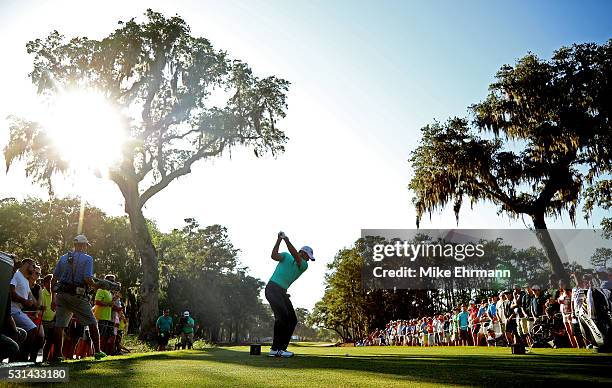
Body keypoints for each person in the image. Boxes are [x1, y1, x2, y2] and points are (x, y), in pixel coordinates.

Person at [51, 234, 107, 361]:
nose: (86, 247)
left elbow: (53, 279)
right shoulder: (88, 259)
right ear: (83, 245)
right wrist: (96, 285)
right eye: (86, 245)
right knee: (93, 323)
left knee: (59, 325)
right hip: (77, 295)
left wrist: (53, 298)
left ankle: (57, 355)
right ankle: (98, 352)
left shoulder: (63, 257)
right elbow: (87, 278)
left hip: (61, 295)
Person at [265, 232, 313, 358]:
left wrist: (286, 239)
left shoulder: (303, 265)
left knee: (292, 319)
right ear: (303, 252)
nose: (309, 259)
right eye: (308, 256)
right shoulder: (286, 256)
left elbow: (296, 256)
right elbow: (273, 255)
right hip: (272, 288)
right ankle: (275, 349)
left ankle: (281, 348)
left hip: (282, 292)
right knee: (282, 317)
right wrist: (279, 240)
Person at [9, 258, 39, 361]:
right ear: (27, 264)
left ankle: (17, 359)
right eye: (33, 266)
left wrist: (33, 302)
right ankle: (22, 359)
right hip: (12, 310)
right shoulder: (16, 275)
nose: (34, 269)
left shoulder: (26, 280)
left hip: (19, 310)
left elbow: (33, 301)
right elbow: (11, 293)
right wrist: (25, 301)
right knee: (32, 329)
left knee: (19, 334)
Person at [94, 274, 116, 354]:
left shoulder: (109, 292)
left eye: (113, 281)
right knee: (98, 335)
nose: (112, 283)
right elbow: (96, 302)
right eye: (110, 280)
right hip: (100, 316)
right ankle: (95, 352)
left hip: (107, 317)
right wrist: (108, 304)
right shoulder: (101, 290)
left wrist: (114, 299)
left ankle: (100, 352)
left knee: (103, 336)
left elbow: (111, 304)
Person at [41, 274, 56, 361]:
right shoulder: (42, 293)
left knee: (49, 342)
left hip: (53, 321)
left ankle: (45, 360)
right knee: (41, 342)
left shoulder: (55, 294)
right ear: (45, 283)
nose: (53, 284)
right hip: (43, 321)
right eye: (51, 282)